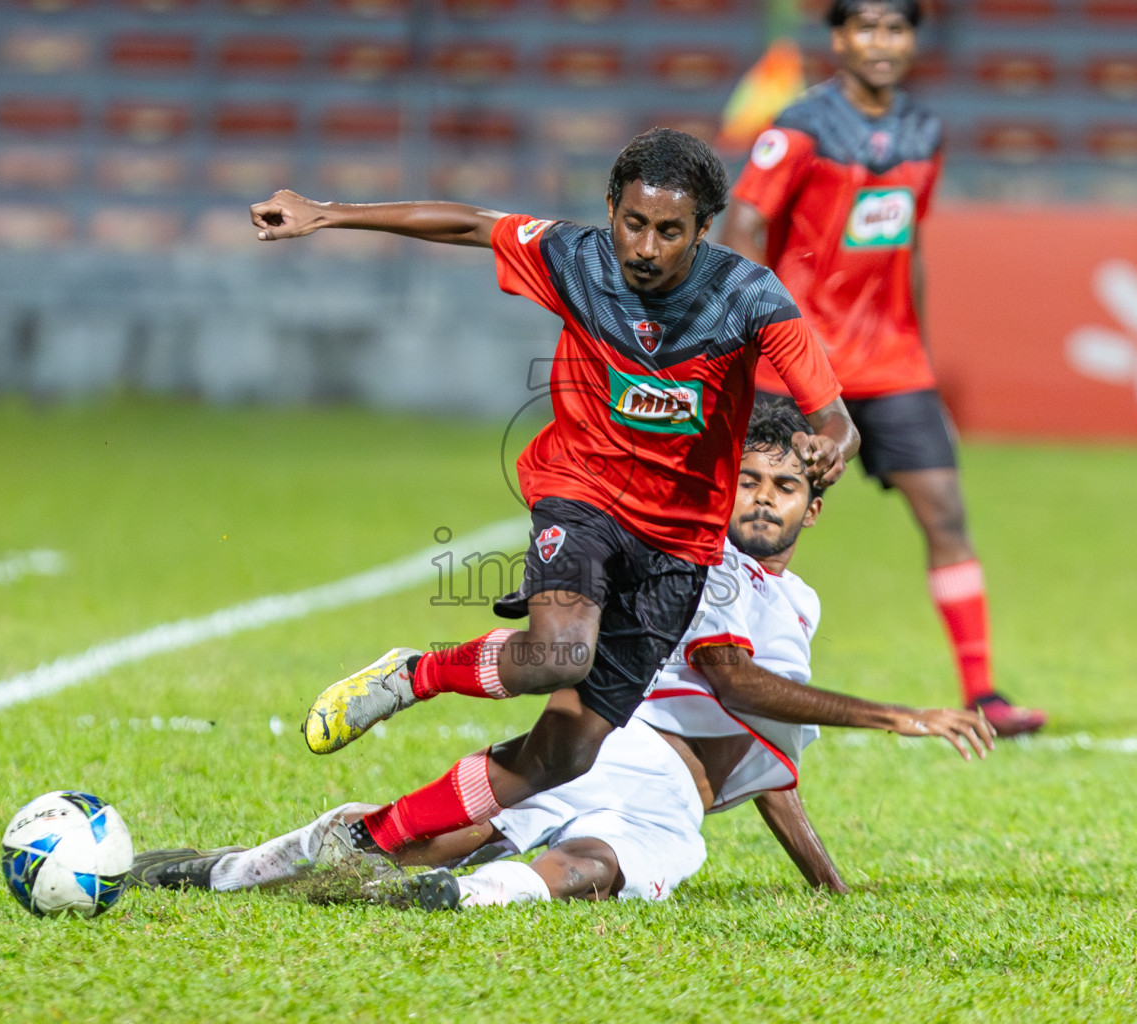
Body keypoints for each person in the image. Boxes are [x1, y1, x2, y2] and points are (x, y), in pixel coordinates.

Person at [246, 129, 860, 865]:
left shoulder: (750, 297)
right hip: (582, 494)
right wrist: (327, 213)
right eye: (634, 223)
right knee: (560, 651)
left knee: (567, 751)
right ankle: (418, 674)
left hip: (681, 542)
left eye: (671, 232)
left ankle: (373, 843)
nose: (646, 246)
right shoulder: (576, 258)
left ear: (703, 231)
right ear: (611, 210)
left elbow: (833, 418)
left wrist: (833, 444)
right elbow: (472, 224)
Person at [129, 404, 993, 905]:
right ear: (723, 490)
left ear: (813, 508)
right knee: (595, 868)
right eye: (750, 484)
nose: (764, 502)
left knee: (433, 849)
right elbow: (733, 682)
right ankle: (447, 884)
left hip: (625, 762)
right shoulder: (712, 565)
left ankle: (235, 871)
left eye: (785, 488)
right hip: (640, 764)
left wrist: (827, 890)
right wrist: (898, 716)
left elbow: (767, 761)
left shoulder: (793, 598)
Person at [719, 0, 1046, 736]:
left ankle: (984, 694)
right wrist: (750, 336)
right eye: (865, 27)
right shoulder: (800, 127)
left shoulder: (924, 132)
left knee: (946, 513)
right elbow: (743, 222)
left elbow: (911, 244)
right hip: (799, 365)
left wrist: (920, 349)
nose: (880, 42)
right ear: (839, 38)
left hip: (895, 367)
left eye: (894, 29)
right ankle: (719, 658)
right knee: (756, 519)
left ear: (912, 41)